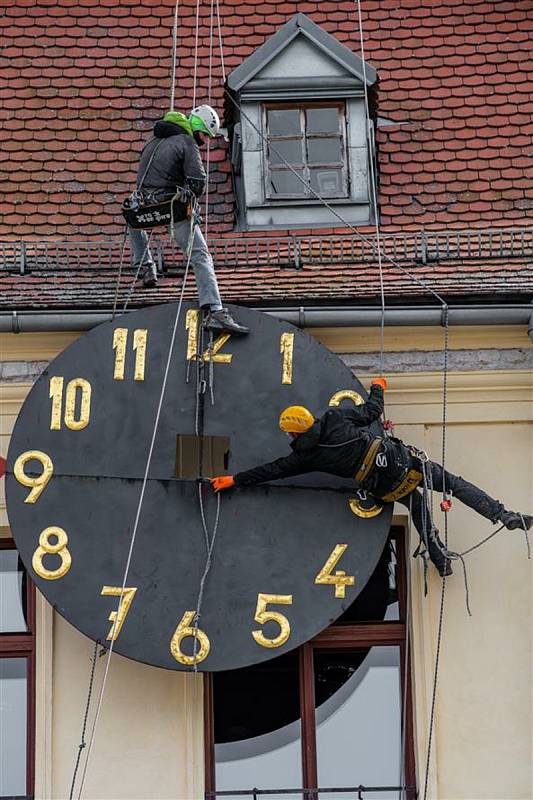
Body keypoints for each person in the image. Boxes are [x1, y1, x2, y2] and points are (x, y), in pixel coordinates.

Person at [210, 379, 532, 577]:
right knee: (454, 484)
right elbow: (371, 411)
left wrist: (235, 479)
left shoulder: (304, 456)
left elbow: (273, 470)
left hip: (385, 487)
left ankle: (439, 558)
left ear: (293, 431)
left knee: (418, 506)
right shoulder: (335, 417)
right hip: (403, 464)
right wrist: (378, 385)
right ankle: (502, 515)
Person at [128, 105, 249, 336]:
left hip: (142, 207)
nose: (205, 141)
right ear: (196, 128)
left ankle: (146, 268)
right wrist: (187, 192)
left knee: (135, 223)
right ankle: (215, 310)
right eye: (204, 135)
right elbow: (198, 182)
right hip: (169, 207)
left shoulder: (152, 141)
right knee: (200, 255)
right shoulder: (186, 142)